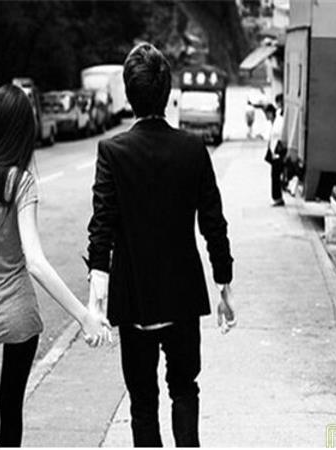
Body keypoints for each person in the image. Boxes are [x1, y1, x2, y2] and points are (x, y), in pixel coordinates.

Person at [0, 84, 111, 447]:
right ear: (22, 133)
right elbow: (36, 262)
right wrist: (83, 316)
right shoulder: (21, 183)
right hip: (19, 316)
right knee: (11, 415)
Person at [86, 43, 235, 447]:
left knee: (142, 403)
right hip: (182, 297)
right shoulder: (192, 149)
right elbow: (213, 222)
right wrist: (224, 283)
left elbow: (102, 227)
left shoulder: (112, 152)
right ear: (168, 95)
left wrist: (96, 301)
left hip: (134, 297)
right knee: (185, 389)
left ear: (129, 95)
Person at [264, 99, 286, 206]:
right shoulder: (273, 123)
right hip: (274, 153)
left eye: (266, 114)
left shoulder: (279, 122)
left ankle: (278, 198)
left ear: (270, 113)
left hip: (279, 152)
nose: (266, 117)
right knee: (274, 176)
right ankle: (277, 197)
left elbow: (280, 136)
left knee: (275, 175)